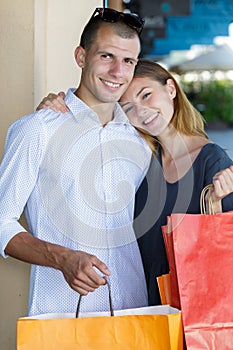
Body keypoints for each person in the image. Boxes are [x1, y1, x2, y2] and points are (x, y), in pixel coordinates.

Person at [38, 60, 233, 306]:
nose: (141, 111)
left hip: (195, 304)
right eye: (128, 107)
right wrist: (50, 115)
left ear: (171, 89)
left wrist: (214, 202)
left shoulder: (211, 160)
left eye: (146, 95)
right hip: (143, 301)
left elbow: (223, 245)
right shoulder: (137, 159)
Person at [0, 8, 153, 316]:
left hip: (136, 316)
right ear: (81, 56)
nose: (117, 72)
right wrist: (62, 258)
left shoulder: (141, 142)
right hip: (63, 315)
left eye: (128, 61)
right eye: (107, 56)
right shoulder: (37, 129)